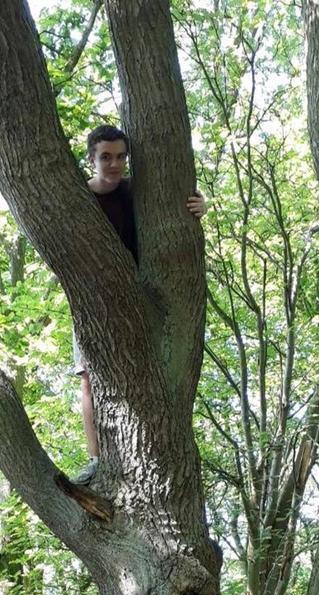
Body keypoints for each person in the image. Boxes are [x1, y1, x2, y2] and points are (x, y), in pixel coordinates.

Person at [73, 124, 207, 484]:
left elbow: (179, 206)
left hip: (141, 297)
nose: (114, 164)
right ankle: (96, 458)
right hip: (93, 302)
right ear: (92, 159)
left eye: (120, 157)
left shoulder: (137, 192)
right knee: (88, 379)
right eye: (105, 157)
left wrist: (201, 204)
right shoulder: (78, 200)